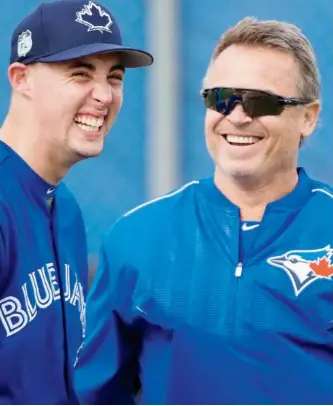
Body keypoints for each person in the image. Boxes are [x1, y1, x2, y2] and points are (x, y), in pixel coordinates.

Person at [74, 17, 333, 405]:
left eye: (262, 101)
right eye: (221, 98)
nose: (238, 115)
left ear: (308, 117)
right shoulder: (138, 237)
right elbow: (95, 394)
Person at [0, 0, 152, 403]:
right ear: (21, 77)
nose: (103, 94)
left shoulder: (66, 208)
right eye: (80, 73)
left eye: (114, 77)